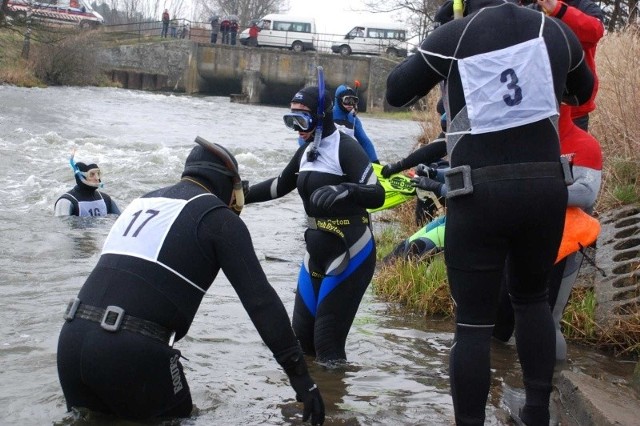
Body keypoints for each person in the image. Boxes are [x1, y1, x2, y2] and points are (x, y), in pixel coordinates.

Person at [385, 0, 594, 424]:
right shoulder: (553, 31)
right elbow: (584, 92)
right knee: (532, 300)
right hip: (545, 187)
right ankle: (536, 413)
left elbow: (394, 92)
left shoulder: (457, 35)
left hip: (480, 191)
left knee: (474, 325)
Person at [56, 138, 325, 424]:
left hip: (71, 340)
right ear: (228, 183)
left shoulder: (142, 201)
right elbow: (261, 303)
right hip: (130, 351)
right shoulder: (219, 218)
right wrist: (302, 379)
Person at [244, 86, 385, 364]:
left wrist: (346, 189)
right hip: (315, 256)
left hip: (350, 252)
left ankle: (334, 406)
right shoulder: (307, 150)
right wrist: (236, 196)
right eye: (291, 119)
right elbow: (278, 186)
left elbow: (377, 194)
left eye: (302, 119)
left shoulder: (346, 146)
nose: (297, 127)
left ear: (321, 116)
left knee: (327, 345)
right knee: (303, 343)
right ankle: (310, 402)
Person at [493, 103, 603, 360]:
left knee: (548, 319)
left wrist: (537, 191)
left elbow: (587, 194)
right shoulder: (522, 142)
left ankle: (554, 388)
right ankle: (498, 381)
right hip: (521, 240)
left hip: (565, 246)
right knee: (501, 316)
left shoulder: (583, 143)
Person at [529, 0, 604, 131]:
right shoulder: (533, 8)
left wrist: (558, 10)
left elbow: (595, 32)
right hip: (536, 107)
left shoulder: (585, 6)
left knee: (574, 149)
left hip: (574, 107)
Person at [54, 157, 120, 217]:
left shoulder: (106, 199)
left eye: (98, 174)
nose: (97, 178)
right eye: (92, 174)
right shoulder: (65, 202)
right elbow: (61, 228)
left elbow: (122, 221)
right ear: (81, 177)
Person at [332, 84, 380, 164]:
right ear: (338, 99)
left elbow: (364, 141)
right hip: (328, 161)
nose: (351, 104)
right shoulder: (327, 116)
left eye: (354, 100)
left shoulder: (353, 119)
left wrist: (375, 161)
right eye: (347, 100)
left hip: (345, 160)